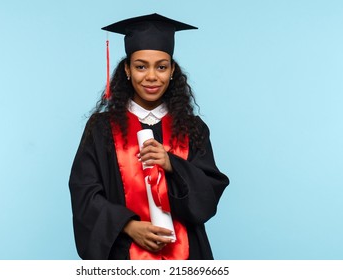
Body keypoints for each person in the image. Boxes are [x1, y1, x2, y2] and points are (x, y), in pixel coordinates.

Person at [69, 13, 229, 260]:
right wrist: (128, 225)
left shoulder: (192, 128)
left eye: (161, 66)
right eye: (141, 66)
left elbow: (208, 197)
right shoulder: (102, 129)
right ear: (127, 70)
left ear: (172, 70)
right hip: (123, 255)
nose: (152, 76)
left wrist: (172, 164)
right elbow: (84, 193)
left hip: (187, 258)